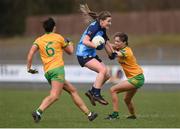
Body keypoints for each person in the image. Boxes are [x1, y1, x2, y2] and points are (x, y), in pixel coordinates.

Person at [27, 17, 98, 123]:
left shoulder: (39, 40)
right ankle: (38, 112)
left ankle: (89, 114)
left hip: (48, 72)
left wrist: (29, 68)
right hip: (57, 70)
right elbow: (70, 51)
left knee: (73, 90)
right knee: (55, 96)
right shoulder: (58, 37)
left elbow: (31, 53)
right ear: (54, 27)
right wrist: (70, 43)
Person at [76, 4, 115, 106]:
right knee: (102, 70)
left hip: (90, 54)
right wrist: (95, 45)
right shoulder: (94, 27)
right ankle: (96, 94)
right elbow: (85, 41)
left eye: (111, 21)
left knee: (107, 75)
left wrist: (112, 54)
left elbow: (106, 43)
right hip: (83, 54)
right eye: (108, 21)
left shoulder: (102, 29)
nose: (110, 23)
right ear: (102, 21)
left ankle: (92, 92)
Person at [105, 32, 145, 120]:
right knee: (127, 100)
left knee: (113, 90)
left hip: (137, 78)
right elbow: (111, 45)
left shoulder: (127, 51)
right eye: (115, 41)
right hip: (136, 78)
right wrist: (104, 42)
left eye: (118, 41)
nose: (116, 43)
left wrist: (105, 45)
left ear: (124, 42)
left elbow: (113, 55)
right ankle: (133, 115)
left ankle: (115, 114)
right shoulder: (120, 47)